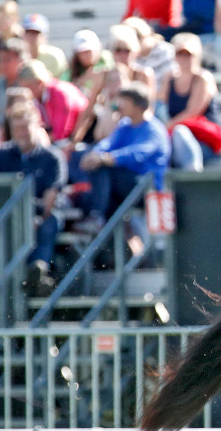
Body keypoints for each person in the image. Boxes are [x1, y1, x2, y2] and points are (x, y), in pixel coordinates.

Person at [76, 84, 170, 234]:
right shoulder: (125, 125)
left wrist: (107, 158)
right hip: (125, 185)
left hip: (147, 187)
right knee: (87, 198)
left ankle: (96, 217)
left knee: (101, 169)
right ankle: (110, 249)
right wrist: (95, 154)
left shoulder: (154, 129)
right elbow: (108, 143)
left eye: (125, 101)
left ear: (138, 105)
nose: (119, 105)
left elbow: (138, 153)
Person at [0, 103, 64, 296]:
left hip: (40, 215)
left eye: (25, 127)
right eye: (16, 128)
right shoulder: (2, 155)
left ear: (37, 126)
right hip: (7, 217)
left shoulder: (52, 157)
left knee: (49, 223)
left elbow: (49, 200)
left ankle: (38, 269)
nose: (20, 133)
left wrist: (32, 217)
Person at [160, 33, 221, 171]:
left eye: (188, 54)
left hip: (203, 140)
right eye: (180, 54)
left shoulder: (203, 78)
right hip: (175, 137)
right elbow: (160, 103)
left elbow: (192, 112)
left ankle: (192, 171)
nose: (184, 58)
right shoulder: (169, 78)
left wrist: (165, 128)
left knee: (180, 132)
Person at [17, 60, 88, 143]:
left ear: (39, 82)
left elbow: (61, 133)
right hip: (56, 137)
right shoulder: (36, 97)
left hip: (82, 137)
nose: (26, 91)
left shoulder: (60, 93)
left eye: (28, 87)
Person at [21, 15, 67, 81]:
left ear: (44, 35)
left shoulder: (54, 56)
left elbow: (57, 83)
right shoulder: (17, 56)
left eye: (36, 33)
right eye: (28, 32)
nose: (31, 36)